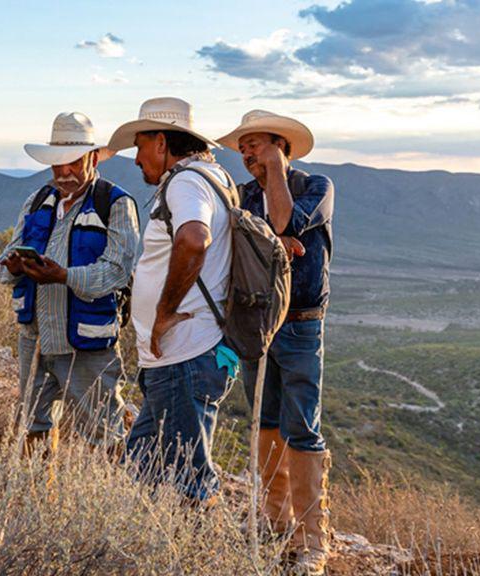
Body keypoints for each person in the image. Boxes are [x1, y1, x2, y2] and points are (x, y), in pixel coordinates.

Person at [217, 110, 334, 574]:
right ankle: (273, 519)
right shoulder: (243, 196)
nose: (247, 154)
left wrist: (276, 178)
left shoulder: (316, 187)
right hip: (258, 322)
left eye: (257, 145)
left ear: (281, 145)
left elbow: (284, 221)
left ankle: (313, 540)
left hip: (302, 322)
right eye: (243, 147)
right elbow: (246, 248)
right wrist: (270, 242)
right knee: (264, 418)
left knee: (302, 425)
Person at [108, 97, 235, 503]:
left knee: (189, 480)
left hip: (185, 357)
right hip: (183, 359)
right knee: (138, 466)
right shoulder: (214, 178)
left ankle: (199, 554)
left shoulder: (186, 182)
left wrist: (163, 312)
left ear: (161, 143)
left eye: (140, 145)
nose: (136, 159)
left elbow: (194, 239)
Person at [0, 112, 138, 457]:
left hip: (87, 346)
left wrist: (63, 276)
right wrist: (15, 266)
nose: (63, 172)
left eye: (71, 163)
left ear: (92, 158)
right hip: (35, 339)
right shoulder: (37, 200)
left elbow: (116, 271)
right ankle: (37, 500)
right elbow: (2, 269)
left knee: (103, 434)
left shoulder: (116, 203)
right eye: (56, 164)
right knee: (32, 428)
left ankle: (100, 503)